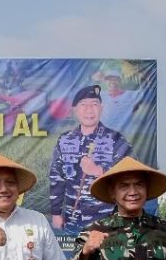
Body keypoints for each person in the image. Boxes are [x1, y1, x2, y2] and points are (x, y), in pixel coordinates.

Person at [49, 85, 133, 234]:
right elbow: (57, 178)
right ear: (74, 109)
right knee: (72, 258)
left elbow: (131, 173)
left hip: (107, 223)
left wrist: (99, 170)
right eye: (83, 105)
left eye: (94, 104)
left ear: (102, 108)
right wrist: (56, 214)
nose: (89, 110)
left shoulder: (116, 139)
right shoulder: (65, 140)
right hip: (72, 222)